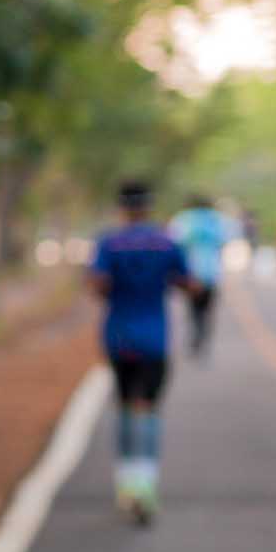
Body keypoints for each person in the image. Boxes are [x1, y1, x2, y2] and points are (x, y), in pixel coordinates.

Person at [89, 181, 197, 525]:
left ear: (122, 207)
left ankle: (125, 485)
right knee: (148, 408)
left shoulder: (109, 242)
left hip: (118, 336)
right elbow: (189, 283)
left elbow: (97, 284)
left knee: (122, 404)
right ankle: (146, 484)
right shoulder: (167, 242)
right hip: (154, 338)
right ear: (149, 206)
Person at [168, 194, 234, 358]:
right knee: (207, 308)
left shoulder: (184, 219)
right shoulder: (217, 220)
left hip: (190, 272)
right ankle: (202, 334)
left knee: (193, 307)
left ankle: (197, 334)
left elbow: (174, 244)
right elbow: (225, 242)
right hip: (211, 272)